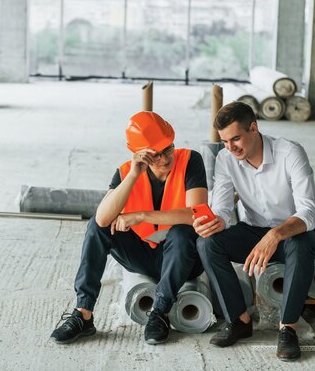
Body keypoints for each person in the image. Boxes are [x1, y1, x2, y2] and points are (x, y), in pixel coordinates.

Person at [50, 111, 208, 345]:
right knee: (96, 226)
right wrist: (134, 175)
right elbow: (103, 219)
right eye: (155, 155)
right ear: (139, 155)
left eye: (168, 148)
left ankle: (160, 313)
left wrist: (141, 215)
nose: (165, 158)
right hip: (143, 255)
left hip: (183, 258)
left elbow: (197, 215)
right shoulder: (125, 172)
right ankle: (84, 313)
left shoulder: (190, 161)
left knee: (183, 230)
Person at [193, 102, 315, 362]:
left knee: (299, 245)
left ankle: (288, 329)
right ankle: (239, 320)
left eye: (236, 138)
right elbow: (223, 209)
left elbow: (310, 211)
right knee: (207, 244)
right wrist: (214, 222)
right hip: (252, 230)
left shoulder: (290, 152)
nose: (231, 147)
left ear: (254, 128)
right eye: (225, 141)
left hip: (295, 233)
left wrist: (275, 235)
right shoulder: (225, 158)